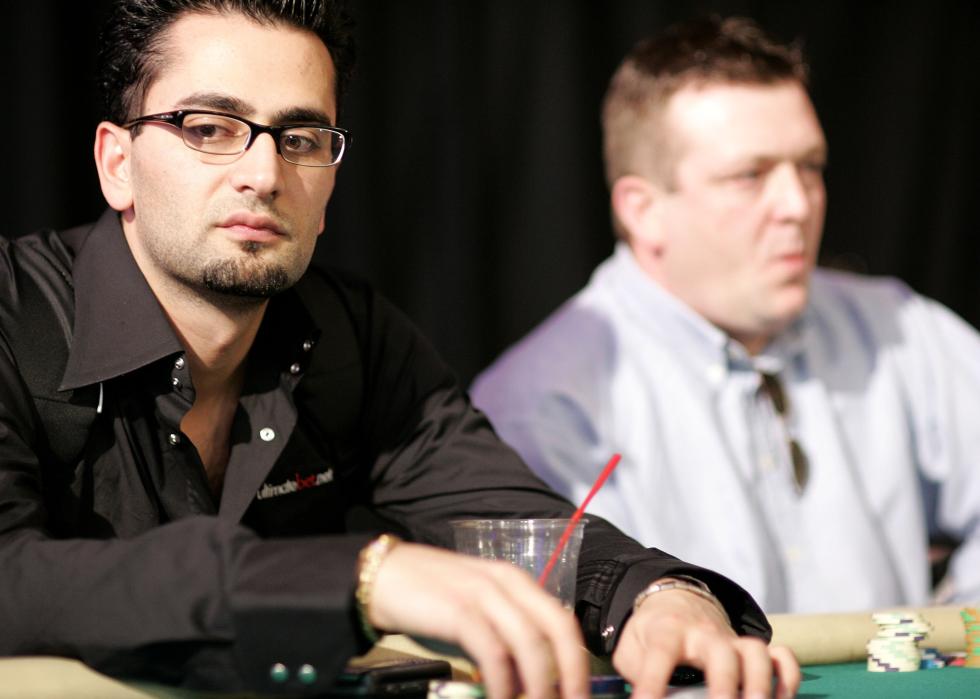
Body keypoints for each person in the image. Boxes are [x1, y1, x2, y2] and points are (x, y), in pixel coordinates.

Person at [0, 3, 801, 698]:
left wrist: (656, 592)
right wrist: (365, 575)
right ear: (117, 163)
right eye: (210, 128)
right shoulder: (11, 312)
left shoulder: (352, 334)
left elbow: (505, 514)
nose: (264, 172)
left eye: (303, 136)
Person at [472, 16, 980, 616]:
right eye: (750, 175)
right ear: (643, 211)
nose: (798, 204)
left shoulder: (899, 329)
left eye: (810, 167)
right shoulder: (548, 404)